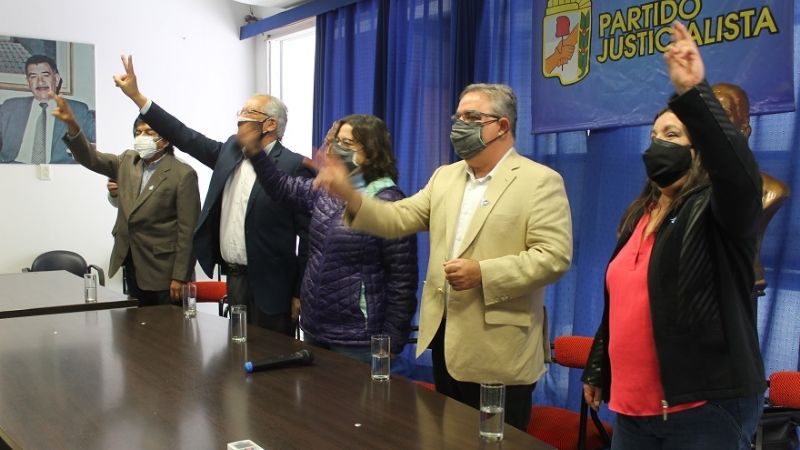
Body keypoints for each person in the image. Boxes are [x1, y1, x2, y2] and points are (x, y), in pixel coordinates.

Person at [313, 83, 573, 430]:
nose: (459, 125)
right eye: (457, 116)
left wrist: (483, 272)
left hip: (499, 352)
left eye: (471, 117)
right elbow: (397, 218)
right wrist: (352, 196)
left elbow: (554, 256)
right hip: (445, 344)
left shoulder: (539, 181)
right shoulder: (445, 177)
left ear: (502, 126)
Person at [581, 23, 765, 450]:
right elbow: (623, 303)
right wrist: (598, 369)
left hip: (703, 409)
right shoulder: (640, 215)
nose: (657, 146)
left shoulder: (720, 209)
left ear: (700, 148)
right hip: (633, 410)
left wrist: (694, 92)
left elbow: (737, 174)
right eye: (653, 136)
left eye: (672, 135)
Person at [113, 55, 312, 335]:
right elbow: (183, 135)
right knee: (237, 358)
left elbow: (307, 239)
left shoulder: (293, 166)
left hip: (274, 289)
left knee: (274, 363)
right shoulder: (229, 151)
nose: (240, 118)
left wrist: (299, 292)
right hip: (234, 278)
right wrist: (137, 97)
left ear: (269, 125)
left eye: (248, 113)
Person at [243, 114, 418, 361]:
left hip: (359, 338)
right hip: (316, 328)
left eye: (349, 144)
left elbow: (403, 280)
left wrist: (392, 340)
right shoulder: (326, 191)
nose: (338, 148)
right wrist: (256, 152)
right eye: (338, 141)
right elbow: (282, 188)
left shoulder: (388, 201)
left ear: (373, 153)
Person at [51, 94, 200, 306]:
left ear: (165, 140)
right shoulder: (127, 161)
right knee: (137, 329)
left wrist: (180, 276)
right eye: (138, 132)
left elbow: (189, 231)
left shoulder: (182, 174)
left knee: (168, 331)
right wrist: (73, 125)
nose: (142, 137)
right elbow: (91, 159)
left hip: (164, 270)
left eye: (149, 132)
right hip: (132, 261)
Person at [712, 82, 790, 296]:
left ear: (744, 129)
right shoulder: (685, 188)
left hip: (739, 287)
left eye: (723, 115)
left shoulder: (771, 190)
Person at [0, 54, 95, 164]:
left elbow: (102, 139)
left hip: (57, 174)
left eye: (45, 75)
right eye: (33, 76)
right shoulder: (10, 107)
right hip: (14, 170)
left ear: (57, 79)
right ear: (28, 82)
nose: (40, 82)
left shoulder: (78, 111)